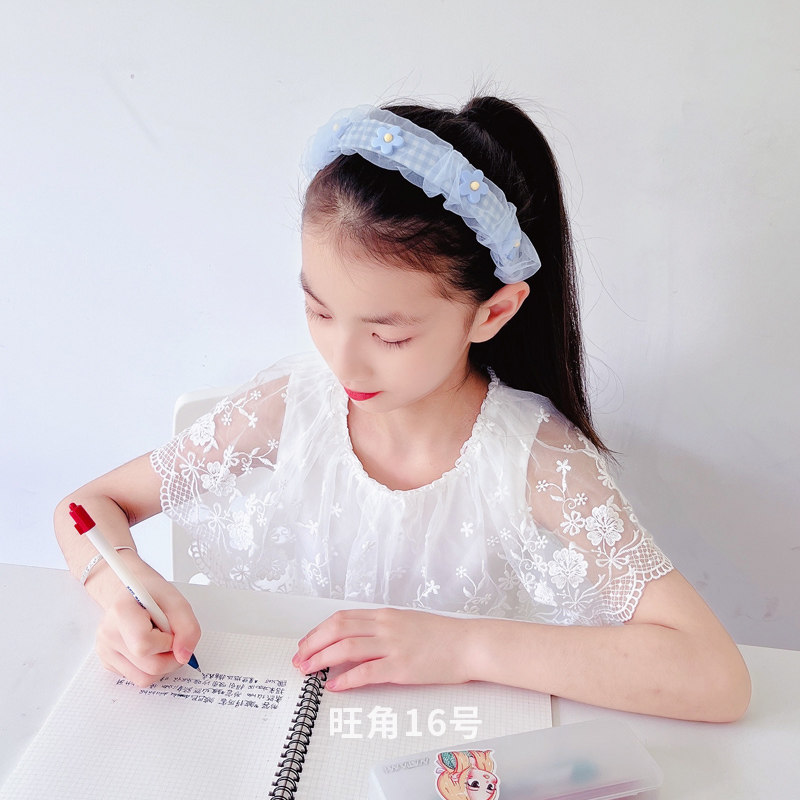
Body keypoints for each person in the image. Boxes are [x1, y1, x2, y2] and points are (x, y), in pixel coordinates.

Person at [54, 97, 750, 722]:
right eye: (319, 311)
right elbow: (87, 506)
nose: (344, 364)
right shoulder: (289, 410)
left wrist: (464, 645)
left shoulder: (534, 461)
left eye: (389, 337)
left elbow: (716, 677)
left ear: (493, 312)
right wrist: (123, 591)